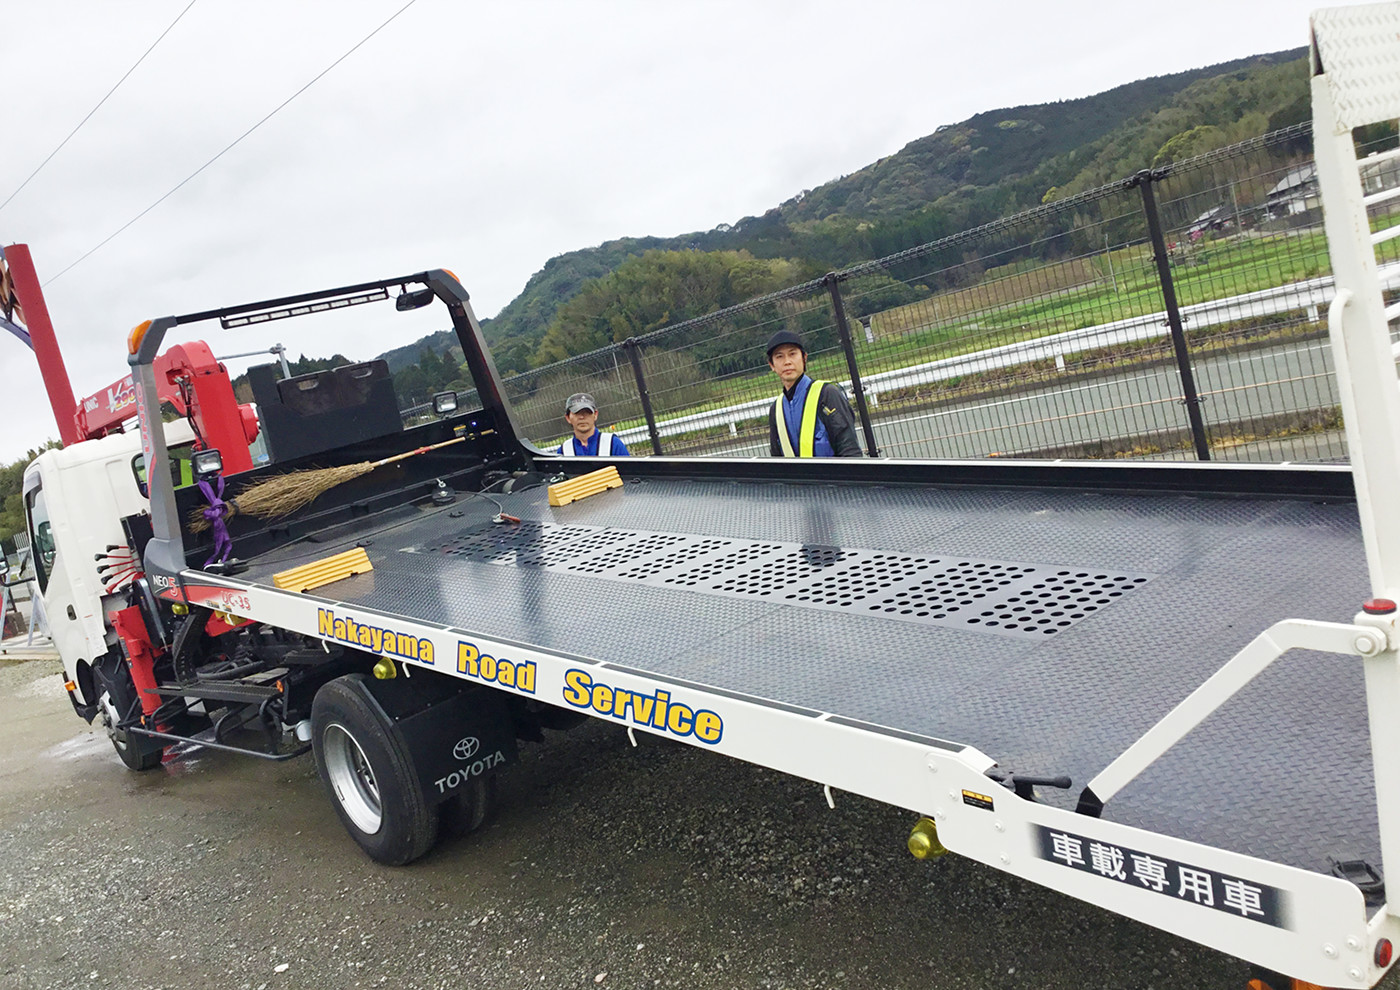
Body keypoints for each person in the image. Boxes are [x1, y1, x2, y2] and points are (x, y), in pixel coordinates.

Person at [765, 330, 862, 457]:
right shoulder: (776, 409)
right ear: (771, 365)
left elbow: (849, 449)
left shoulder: (827, 394)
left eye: (792, 354)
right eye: (779, 356)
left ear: (804, 358)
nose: (787, 361)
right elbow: (776, 459)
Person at [556, 392, 631, 457]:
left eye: (587, 412)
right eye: (577, 413)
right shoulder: (563, 451)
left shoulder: (613, 443)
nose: (582, 417)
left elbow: (629, 469)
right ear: (568, 418)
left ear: (595, 415)